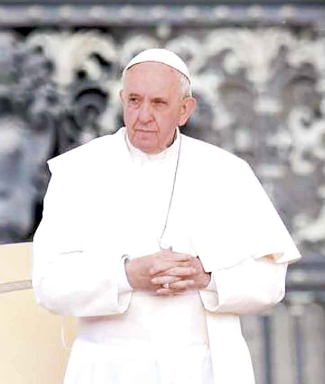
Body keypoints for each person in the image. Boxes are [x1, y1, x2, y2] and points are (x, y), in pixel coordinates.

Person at [32, 48, 301, 384]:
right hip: (108, 370)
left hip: (204, 370)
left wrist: (206, 277)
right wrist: (127, 276)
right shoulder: (78, 171)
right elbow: (48, 284)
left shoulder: (227, 172)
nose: (143, 115)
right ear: (122, 100)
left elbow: (270, 282)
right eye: (134, 100)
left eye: (158, 103)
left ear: (185, 110)